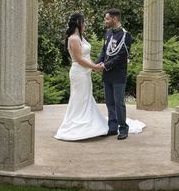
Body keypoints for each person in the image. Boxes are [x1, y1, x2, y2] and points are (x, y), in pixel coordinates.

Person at [54, 12, 108, 140]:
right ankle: (77, 122)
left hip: (85, 72)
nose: (85, 25)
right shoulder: (73, 38)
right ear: (78, 23)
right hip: (79, 73)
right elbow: (79, 59)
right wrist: (95, 67)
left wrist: (95, 65)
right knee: (79, 97)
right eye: (83, 22)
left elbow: (86, 56)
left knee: (86, 97)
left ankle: (88, 119)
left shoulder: (81, 38)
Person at [97, 8, 134, 140]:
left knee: (119, 103)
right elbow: (104, 50)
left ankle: (123, 128)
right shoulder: (108, 33)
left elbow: (121, 56)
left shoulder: (125, 35)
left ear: (115, 19)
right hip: (107, 74)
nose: (105, 21)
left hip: (118, 74)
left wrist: (105, 65)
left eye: (107, 19)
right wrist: (98, 63)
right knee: (109, 102)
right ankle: (112, 127)